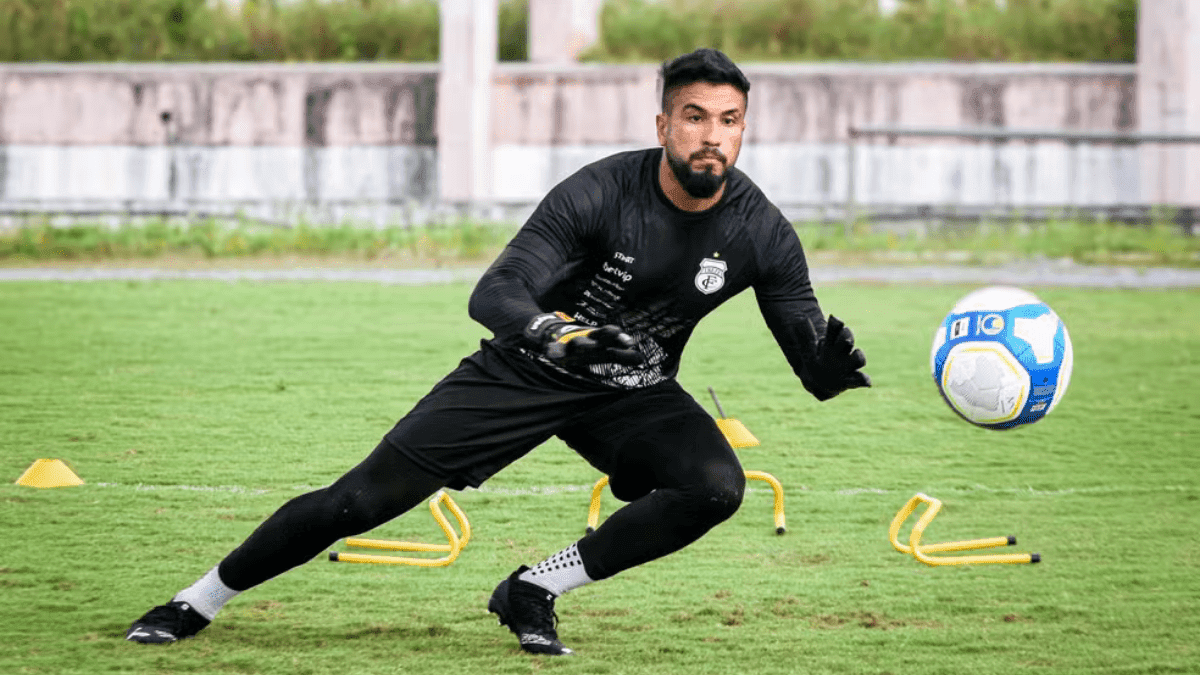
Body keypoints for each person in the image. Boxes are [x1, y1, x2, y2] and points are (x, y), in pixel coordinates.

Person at [125, 47, 870, 656]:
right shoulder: (600, 191)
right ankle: (197, 601)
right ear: (664, 123)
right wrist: (561, 331)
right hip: (527, 368)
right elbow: (497, 289)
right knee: (359, 499)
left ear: (744, 130)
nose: (712, 135)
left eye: (730, 121)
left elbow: (811, 358)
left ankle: (532, 588)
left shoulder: (761, 229)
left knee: (713, 486)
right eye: (695, 117)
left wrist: (828, 372)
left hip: (630, 391)